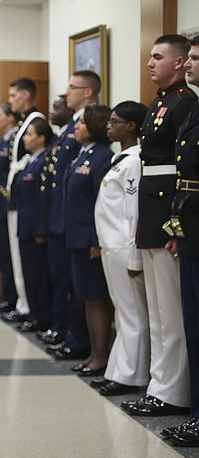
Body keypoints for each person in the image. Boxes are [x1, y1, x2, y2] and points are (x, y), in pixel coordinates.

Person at [123, 34, 197, 417]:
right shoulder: (159, 102)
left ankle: (174, 391)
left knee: (171, 312)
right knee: (157, 309)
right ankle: (159, 384)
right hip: (152, 211)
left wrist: (176, 225)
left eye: (158, 57)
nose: (150, 63)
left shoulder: (185, 103)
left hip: (169, 213)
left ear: (180, 62)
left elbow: (184, 170)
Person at [91, 101, 149, 395]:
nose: (109, 126)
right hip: (110, 246)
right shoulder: (121, 158)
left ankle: (130, 376)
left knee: (131, 314)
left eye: (115, 121)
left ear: (131, 127)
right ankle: (119, 369)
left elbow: (133, 212)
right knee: (123, 313)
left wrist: (133, 255)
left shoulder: (135, 161)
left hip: (123, 248)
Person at [40, 70, 99, 360]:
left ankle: (77, 338)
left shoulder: (90, 124)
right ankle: (65, 330)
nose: (66, 93)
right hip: (60, 215)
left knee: (76, 287)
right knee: (61, 280)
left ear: (88, 92)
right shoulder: (71, 125)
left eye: (73, 88)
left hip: (72, 219)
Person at [162, 36, 199, 445]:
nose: (188, 63)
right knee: (193, 326)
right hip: (190, 228)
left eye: (195, 58)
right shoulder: (195, 107)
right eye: (188, 56)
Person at [63, 105, 115, 377]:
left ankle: (102, 356)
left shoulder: (104, 156)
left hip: (90, 240)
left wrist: (96, 240)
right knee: (85, 297)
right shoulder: (83, 154)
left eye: (82, 123)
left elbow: (101, 203)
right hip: (75, 238)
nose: (76, 127)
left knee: (96, 298)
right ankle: (94, 352)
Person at [2, 78, 45, 325]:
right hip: (16, 190)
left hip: (25, 193)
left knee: (23, 255)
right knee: (16, 254)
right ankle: (22, 301)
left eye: (13, 95)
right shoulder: (22, 123)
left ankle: (27, 305)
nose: (10, 101)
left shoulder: (35, 120)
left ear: (26, 96)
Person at [14, 117, 52, 334]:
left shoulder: (44, 161)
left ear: (41, 138)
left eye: (30, 134)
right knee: (29, 272)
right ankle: (33, 313)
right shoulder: (30, 160)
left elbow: (43, 200)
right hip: (24, 226)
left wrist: (40, 228)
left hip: (35, 228)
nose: (25, 139)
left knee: (38, 275)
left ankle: (41, 316)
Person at [0, 103, 19, 314]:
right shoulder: (2, 140)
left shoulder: (15, 140)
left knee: (11, 256)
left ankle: (12, 298)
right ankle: (7, 296)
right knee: (4, 255)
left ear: (10, 118)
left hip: (7, 205)